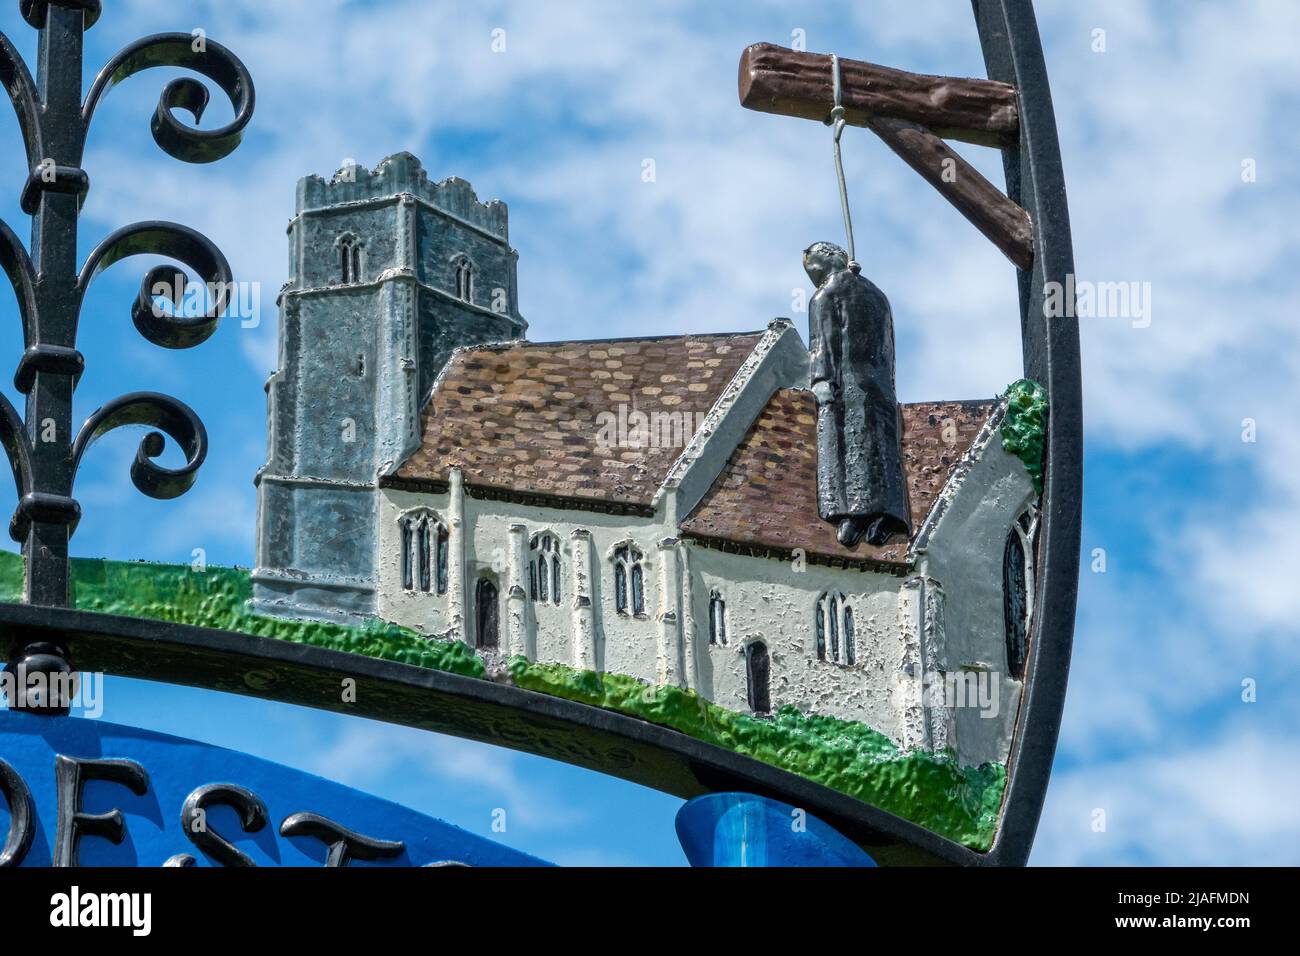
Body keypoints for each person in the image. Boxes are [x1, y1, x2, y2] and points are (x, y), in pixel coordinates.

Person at [804, 241, 910, 547]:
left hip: (844, 387)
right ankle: (883, 517)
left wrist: (822, 382)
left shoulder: (825, 296)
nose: (811, 273)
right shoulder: (878, 296)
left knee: (844, 450)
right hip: (879, 388)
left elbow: (823, 345)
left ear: (827, 261)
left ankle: (849, 516)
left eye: (812, 264)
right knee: (881, 451)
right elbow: (889, 348)